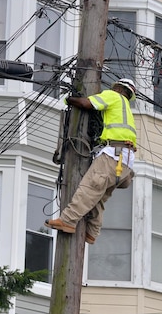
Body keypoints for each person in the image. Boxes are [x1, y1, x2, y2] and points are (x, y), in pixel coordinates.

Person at [45, 78, 137, 245]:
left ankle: (68, 220)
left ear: (117, 88)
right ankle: (92, 233)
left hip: (113, 155)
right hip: (126, 163)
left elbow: (87, 104)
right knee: (99, 196)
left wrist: (69, 99)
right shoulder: (126, 110)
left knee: (89, 188)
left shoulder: (113, 96)